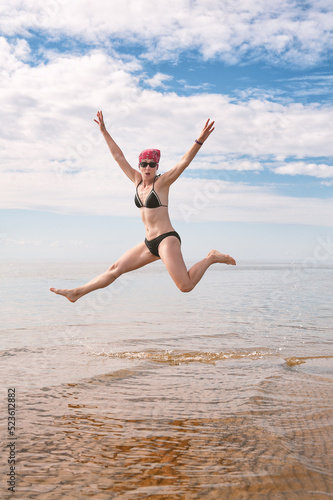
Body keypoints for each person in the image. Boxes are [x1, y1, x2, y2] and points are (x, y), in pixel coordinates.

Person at [50, 111, 236, 302]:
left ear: (157, 166)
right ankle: (77, 293)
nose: (147, 168)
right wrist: (104, 131)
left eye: (152, 164)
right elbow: (118, 157)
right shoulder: (137, 180)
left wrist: (199, 140)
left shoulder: (162, 183)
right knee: (115, 269)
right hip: (149, 243)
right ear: (139, 165)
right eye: (144, 164)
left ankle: (211, 257)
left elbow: (184, 162)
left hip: (166, 240)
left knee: (185, 286)